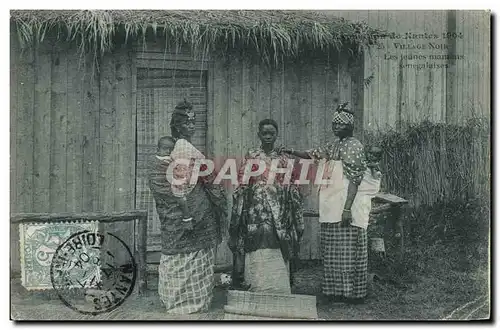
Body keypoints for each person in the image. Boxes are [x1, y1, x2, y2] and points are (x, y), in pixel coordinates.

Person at [284, 102, 379, 304]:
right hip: (331, 207)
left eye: (340, 125)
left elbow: (355, 180)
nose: (336, 128)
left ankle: (353, 295)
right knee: (333, 252)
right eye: (334, 124)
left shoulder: (354, 146)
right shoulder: (334, 145)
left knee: (348, 253)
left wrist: (347, 209)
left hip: (347, 207)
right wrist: (291, 151)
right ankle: (335, 292)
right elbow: (312, 154)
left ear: (350, 126)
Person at [148, 100, 226, 315]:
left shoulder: (181, 147)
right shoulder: (182, 148)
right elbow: (181, 184)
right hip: (192, 209)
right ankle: (189, 302)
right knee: (190, 257)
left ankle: (185, 300)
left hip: (195, 207)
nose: (191, 126)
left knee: (192, 257)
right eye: (186, 122)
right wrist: (188, 213)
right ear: (177, 126)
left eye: (193, 121)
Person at [228, 118, 304, 294]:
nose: (268, 136)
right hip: (256, 210)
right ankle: (258, 286)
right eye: (264, 133)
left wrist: (292, 200)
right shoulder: (252, 155)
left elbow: (293, 183)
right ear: (259, 135)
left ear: (277, 135)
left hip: (280, 211)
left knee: (279, 243)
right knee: (256, 243)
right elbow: (243, 181)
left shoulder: (284, 159)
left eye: (271, 133)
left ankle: (278, 287)